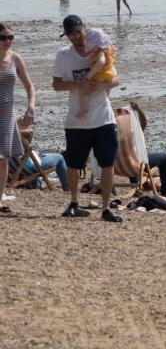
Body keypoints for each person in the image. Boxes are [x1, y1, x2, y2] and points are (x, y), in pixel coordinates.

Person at [53, 15, 122, 222]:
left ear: (85, 29)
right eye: (71, 33)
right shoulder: (63, 56)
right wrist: (77, 84)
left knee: (107, 164)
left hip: (103, 119)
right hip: (76, 122)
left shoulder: (98, 50)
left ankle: (106, 208)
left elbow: (115, 79)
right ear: (67, 35)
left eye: (78, 31)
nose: (76, 36)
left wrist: (102, 86)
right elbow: (56, 85)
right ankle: (74, 203)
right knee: (74, 164)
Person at [0, 23, 36, 212]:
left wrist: (30, 107)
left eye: (11, 37)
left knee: (3, 159)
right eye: (4, 37)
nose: (8, 41)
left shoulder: (15, 58)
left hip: (6, 117)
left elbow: (30, 86)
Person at [126, 102, 166, 196]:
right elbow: (144, 124)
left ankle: (135, 183)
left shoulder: (114, 135)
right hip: (138, 165)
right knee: (165, 157)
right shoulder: (134, 133)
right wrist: (138, 110)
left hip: (122, 167)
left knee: (129, 158)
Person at [74, 28, 116, 119]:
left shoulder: (100, 53)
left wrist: (89, 76)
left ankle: (83, 110)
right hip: (109, 74)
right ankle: (107, 98)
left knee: (84, 91)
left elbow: (100, 62)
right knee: (107, 88)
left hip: (100, 75)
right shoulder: (108, 50)